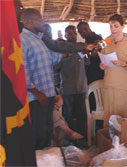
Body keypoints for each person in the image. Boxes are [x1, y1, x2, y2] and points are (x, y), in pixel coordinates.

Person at [19, 8, 67, 149]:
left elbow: (53, 58)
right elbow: (22, 73)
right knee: (37, 138)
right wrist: (38, 94)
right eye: (40, 19)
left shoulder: (38, 40)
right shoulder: (23, 41)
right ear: (31, 21)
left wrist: (74, 52)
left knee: (47, 136)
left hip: (47, 97)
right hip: (36, 100)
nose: (43, 22)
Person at [100, 14, 127, 127]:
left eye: (116, 26)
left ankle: (124, 143)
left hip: (123, 86)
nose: (113, 29)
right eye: (111, 26)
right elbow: (103, 61)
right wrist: (102, 65)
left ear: (123, 26)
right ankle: (111, 143)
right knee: (109, 117)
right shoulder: (107, 44)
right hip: (108, 84)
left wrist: (123, 63)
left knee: (123, 119)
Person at [14, 0, 94, 53]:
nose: (23, 10)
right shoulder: (21, 38)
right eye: (20, 8)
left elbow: (57, 46)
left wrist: (83, 46)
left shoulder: (39, 37)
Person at [54, 25, 88, 138]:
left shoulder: (82, 48)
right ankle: (70, 139)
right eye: (69, 34)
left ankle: (83, 139)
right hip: (68, 89)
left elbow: (87, 63)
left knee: (82, 115)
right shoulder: (61, 50)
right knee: (67, 115)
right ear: (65, 36)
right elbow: (56, 67)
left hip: (81, 88)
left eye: (74, 33)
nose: (72, 35)